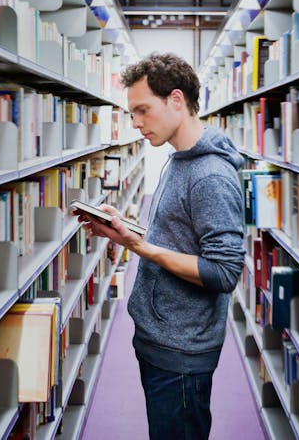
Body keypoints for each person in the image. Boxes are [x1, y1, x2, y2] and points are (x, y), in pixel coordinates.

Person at [75, 53, 245, 439]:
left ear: (176, 100)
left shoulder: (210, 176)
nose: (135, 123)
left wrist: (139, 246)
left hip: (182, 350)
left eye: (142, 110)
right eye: (131, 112)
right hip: (161, 335)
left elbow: (223, 272)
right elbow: (178, 235)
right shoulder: (178, 159)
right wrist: (124, 230)